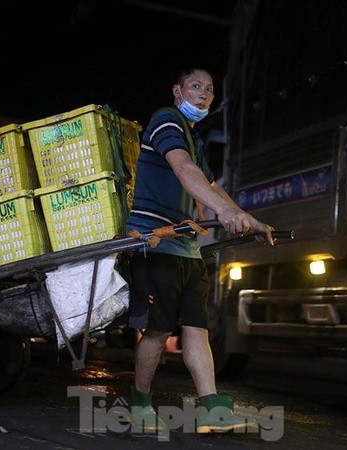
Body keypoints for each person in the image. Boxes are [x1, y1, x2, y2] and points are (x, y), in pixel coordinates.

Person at [124, 68, 275, 434]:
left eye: (209, 90)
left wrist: (247, 219)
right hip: (155, 242)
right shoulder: (166, 121)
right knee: (158, 332)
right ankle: (138, 406)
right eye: (196, 87)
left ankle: (213, 410)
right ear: (177, 91)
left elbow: (209, 184)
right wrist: (224, 213)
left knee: (196, 330)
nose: (204, 94)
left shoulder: (192, 137)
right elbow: (183, 169)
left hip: (187, 248)